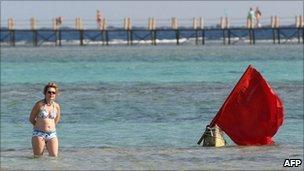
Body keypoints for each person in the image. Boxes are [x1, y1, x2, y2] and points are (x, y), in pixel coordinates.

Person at [29, 82, 61, 158]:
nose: (51, 94)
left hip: (52, 134)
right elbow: (31, 118)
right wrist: (39, 126)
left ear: (55, 94)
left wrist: (50, 127)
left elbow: (56, 119)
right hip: (39, 134)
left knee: (54, 157)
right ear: (45, 93)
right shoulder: (39, 104)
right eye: (49, 92)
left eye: (53, 92)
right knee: (38, 157)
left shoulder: (56, 106)